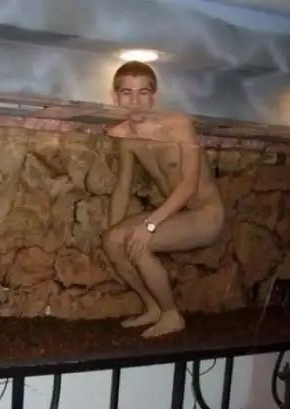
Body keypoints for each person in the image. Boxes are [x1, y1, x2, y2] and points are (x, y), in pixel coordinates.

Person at [102, 61, 225, 338]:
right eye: (127, 93)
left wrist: (150, 226)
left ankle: (172, 315)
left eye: (143, 93)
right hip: (177, 215)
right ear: (115, 97)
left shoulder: (178, 124)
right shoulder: (124, 136)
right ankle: (153, 307)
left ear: (154, 97)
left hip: (207, 216)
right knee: (113, 240)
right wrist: (113, 233)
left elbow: (189, 184)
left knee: (138, 241)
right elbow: (123, 186)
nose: (135, 101)